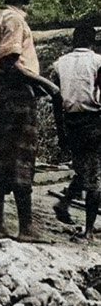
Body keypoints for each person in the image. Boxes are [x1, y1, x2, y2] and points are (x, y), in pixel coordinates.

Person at [0, 0, 60, 241]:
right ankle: (25, 228)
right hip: (17, 96)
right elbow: (9, 62)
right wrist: (45, 84)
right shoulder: (15, 20)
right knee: (22, 157)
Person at [49, 24, 101, 237]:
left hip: (71, 122)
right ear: (93, 41)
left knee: (84, 169)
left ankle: (65, 202)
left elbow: (55, 100)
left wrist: (61, 133)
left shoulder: (59, 64)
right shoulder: (98, 61)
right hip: (95, 120)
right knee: (94, 175)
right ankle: (88, 230)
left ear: (73, 41)